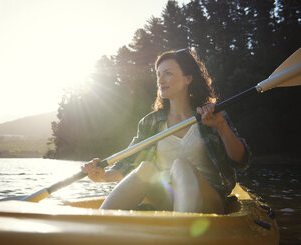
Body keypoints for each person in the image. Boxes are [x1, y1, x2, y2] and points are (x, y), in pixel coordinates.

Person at [81, 49, 250, 214]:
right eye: (158, 74)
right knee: (146, 168)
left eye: (168, 73)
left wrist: (221, 126)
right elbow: (127, 164)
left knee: (181, 165)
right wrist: (102, 176)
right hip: (166, 199)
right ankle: (98, 227)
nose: (161, 80)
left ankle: (180, 234)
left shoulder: (212, 116)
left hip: (209, 199)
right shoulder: (151, 122)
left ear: (188, 79)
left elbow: (241, 161)